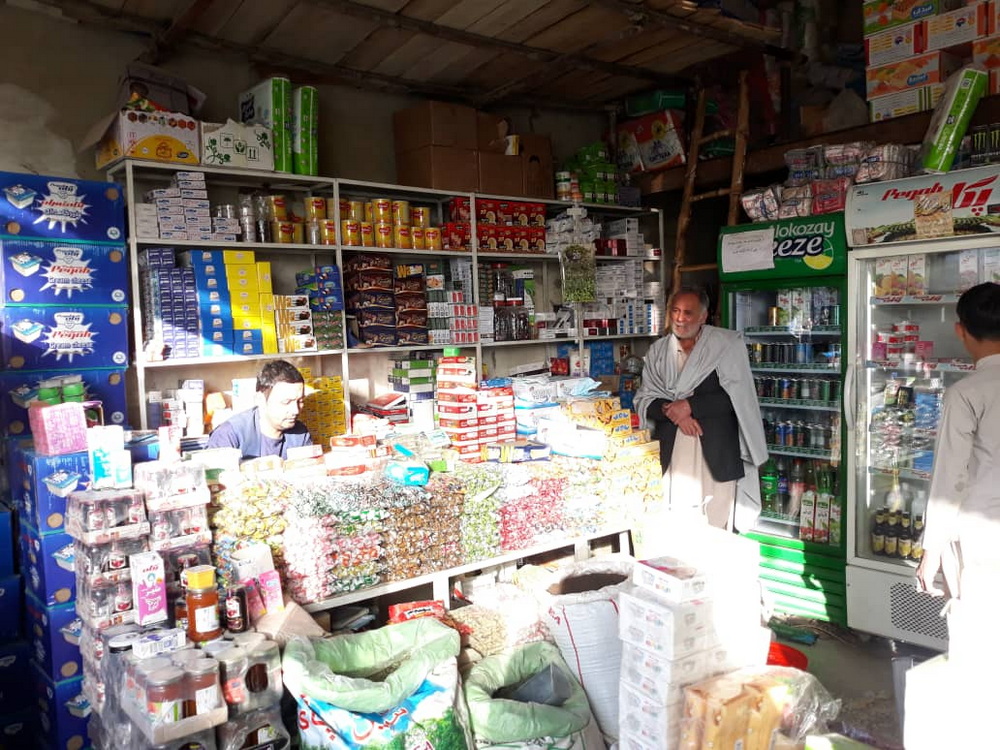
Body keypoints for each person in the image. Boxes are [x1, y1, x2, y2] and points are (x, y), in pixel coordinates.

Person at [634, 287, 768, 531]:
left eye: (688, 312)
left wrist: (690, 406)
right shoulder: (658, 352)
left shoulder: (726, 346)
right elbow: (645, 399)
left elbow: (738, 398)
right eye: (675, 311)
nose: (680, 318)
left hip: (717, 453)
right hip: (673, 454)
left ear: (703, 316)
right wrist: (674, 413)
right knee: (677, 526)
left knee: (715, 527)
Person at [915, 283, 1000, 666]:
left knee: (979, 639)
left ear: (960, 330)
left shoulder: (966, 393)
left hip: (981, 537)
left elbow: (950, 478)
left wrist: (931, 551)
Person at [207, 359, 312, 460]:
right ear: (260, 400)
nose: (295, 410)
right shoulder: (229, 435)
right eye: (286, 402)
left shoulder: (300, 433)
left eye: (300, 401)